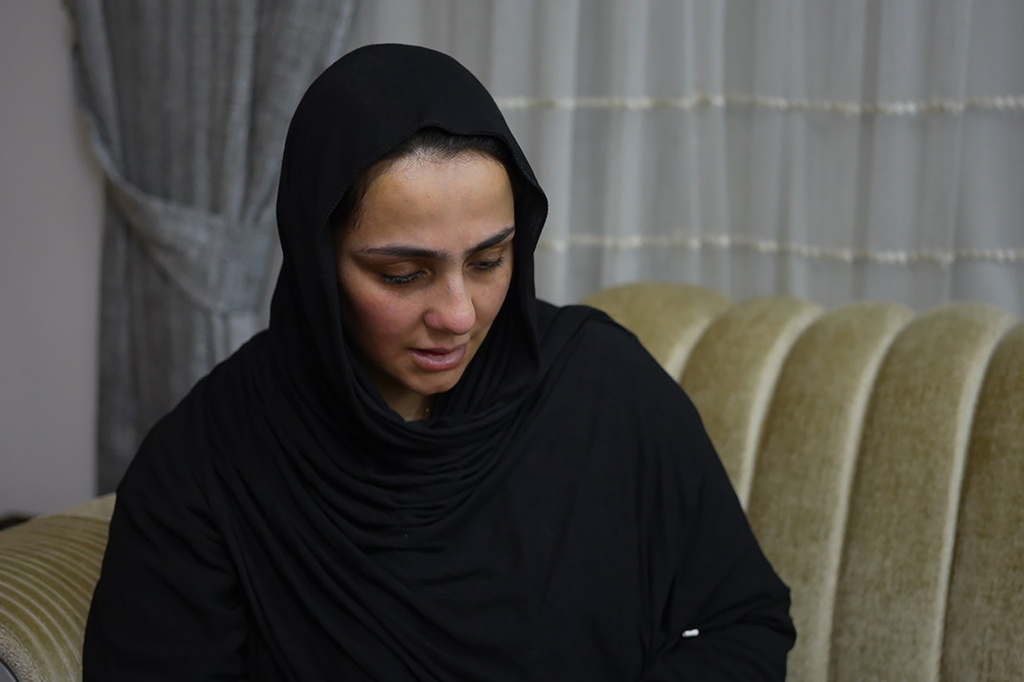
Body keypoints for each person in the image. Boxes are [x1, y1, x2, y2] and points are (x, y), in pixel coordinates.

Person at [83, 43, 795, 681]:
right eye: (402, 274)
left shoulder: (604, 388)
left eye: (490, 260)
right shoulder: (204, 468)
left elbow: (743, 622)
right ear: (315, 263)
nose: (459, 313)